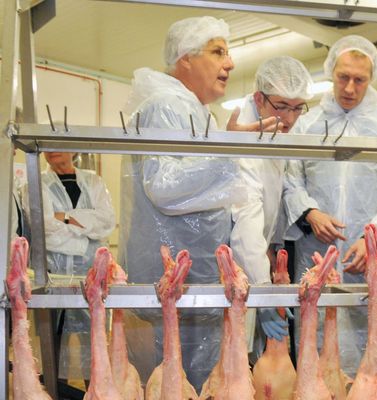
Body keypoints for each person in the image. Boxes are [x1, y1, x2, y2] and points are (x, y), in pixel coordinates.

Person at [118, 16, 276, 389]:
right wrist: (228, 149)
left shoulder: (193, 110)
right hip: (173, 287)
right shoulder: (166, 105)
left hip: (192, 287)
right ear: (185, 57)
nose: (231, 63)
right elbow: (165, 187)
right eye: (218, 51)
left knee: (198, 385)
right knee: (173, 385)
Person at [282, 35, 377, 375]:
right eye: (343, 77)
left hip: (366, 258)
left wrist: (374, 240)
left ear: (371, 80)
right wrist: (309, 212)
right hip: (315, 252)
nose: (350, 87)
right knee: (314, 341)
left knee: (365, 345)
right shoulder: (307, 124)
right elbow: (289, 179)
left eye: (360, 79)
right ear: (331, 73)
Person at [229, 56, 313, 356]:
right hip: (235, 261)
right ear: (258, 98)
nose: (290, 118)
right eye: (281, 106)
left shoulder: (274, 135)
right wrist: (263, 293)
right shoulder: (244, 140)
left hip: (254, 261)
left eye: (297, 107)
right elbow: (245, 224)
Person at [23, 151, 115, 381]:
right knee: (52, 339)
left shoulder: (94, 181)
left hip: (91, 273)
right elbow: (43, 226)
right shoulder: (34, 185)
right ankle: (56, 390)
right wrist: (86, 230)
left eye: (59, 144)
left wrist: (63, 216)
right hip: (51, 274)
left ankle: (94, 390)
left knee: (92, 338)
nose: (53, 150)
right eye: (47, 146)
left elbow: (106, 223)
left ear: (73, 149)